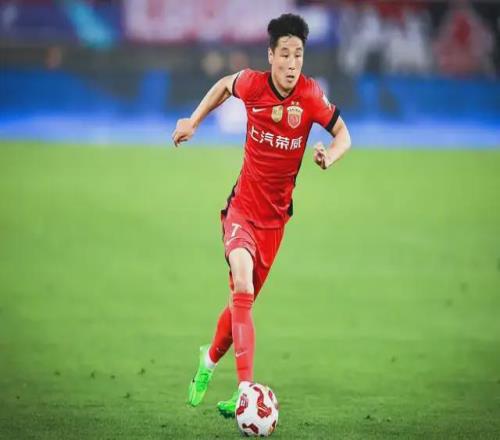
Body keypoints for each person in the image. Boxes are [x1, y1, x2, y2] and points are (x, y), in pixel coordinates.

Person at [172, 13, 351, 417]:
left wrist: (330, 156)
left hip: (275, 222)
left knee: (241, 303)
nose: (291, 63)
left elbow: (344, 135)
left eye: (298, 55)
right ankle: (246, 390)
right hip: (242, 209)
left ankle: (208, 361)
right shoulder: (253, 84)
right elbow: (224, 85)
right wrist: (193, 121)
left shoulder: (310, 96)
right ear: (271, 56)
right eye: (284, 54)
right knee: (242, 282)